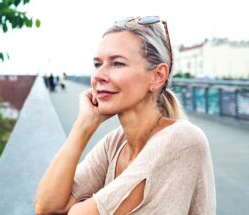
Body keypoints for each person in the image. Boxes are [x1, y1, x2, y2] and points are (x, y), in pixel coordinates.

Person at [35, 16, 216, 214]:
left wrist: (76, 205)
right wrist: (84, 125)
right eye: (97, 64)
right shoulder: (115, 143)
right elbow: (47, 206)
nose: (98, 76)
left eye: (117, 63)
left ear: (158, 76)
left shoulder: (183, 139)